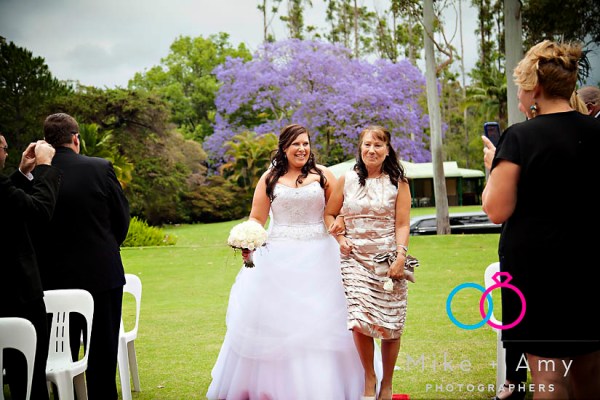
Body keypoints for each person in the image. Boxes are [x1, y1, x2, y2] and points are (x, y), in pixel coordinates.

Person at [206, 124, 366, 399]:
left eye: (305, 144)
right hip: (277, 258)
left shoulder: (323, 175)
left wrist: (340, 226)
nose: (302, 149)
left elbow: (339, 210)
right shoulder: (269, 178)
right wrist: (249, 239)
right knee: (274, 323)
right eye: (296, 144)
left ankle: (330, 385)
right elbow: (257, 218)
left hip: (321, 257)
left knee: (323, 319)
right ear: (284, 148)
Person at [482, 40, 600, 399]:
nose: (519, 95)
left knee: (549, 377)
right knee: (590, 374)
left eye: (520, 87)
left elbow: (496, 210)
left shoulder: (520, 137)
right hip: (590, 265)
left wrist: (493, 169)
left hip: (536, 272)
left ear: (535, 89)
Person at [35, 113, 130, 400]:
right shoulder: (100, 168)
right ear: (76, 138)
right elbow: (121, 218)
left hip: (53, 280)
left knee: (60, 352)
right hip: (102, 274)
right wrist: (106, 246)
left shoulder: (36, 175)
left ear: (46, 142)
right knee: (102, 351)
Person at [324, 125, 412, 400]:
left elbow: (402, 224)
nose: (371, 150)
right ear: (360, 148)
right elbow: (329, 214)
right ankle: (369, 377)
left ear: (387, 150)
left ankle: (387, 384)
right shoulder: (346, 179)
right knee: (359, 319)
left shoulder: (399, 182)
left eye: (378, 145)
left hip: (387, 261)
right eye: (367, 145)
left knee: (391, 323)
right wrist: (340, 238)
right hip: (354, 260)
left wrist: (401, 257)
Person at [0, 134, 61, 400]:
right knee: (29, 374)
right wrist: (45, 167)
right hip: (17, 294)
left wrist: (22, 173)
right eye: (3, 148)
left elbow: (9, 199)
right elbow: (39, 211)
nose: (6, 153)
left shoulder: (4, 185)